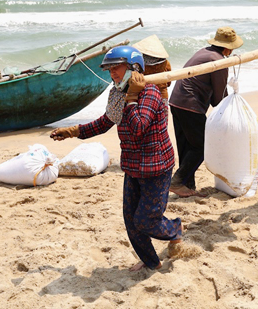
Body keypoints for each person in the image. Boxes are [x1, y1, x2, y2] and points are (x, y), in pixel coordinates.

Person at [50, 46, 182, 272]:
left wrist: (132, 98)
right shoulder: (119, 94)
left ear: (134, 68)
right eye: (109, 69)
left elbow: (139, 126)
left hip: (156, 167)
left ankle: (175, 230)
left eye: (117, 68)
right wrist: (72, 131)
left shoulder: (149, 93)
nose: (112, 73)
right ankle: (152, 262)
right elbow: (104, 123)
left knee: (147, 220)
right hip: (132, 166)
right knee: (131, 222)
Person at [168, 27, 243, 197]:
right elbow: (218, 100)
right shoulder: (219, 62)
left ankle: (187, 186)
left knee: (187, 146)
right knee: (203, 146)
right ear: (228, 48)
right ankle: (177, 182)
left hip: (176, 101)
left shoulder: (204, 52)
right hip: (190, 105)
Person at [132, 35, 172, 103]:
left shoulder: (140, 64)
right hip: (162, 96)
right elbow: (169, 83)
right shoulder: (166, 63)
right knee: (163, 113)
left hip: (145, 95)